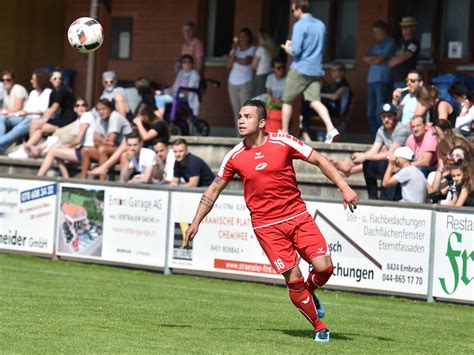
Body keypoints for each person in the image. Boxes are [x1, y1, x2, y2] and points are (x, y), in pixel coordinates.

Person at [183, 99, 359, 343]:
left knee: (325, 268)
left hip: (297, 216)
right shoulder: (234, 156)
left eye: (247, 117)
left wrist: (344, 187)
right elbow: (213, 190)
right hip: (267, 227)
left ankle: (309, 293)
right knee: (294, 279)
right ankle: (319, 326)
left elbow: (319, 159)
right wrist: (195, 222)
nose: (241, 121)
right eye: (240, 117)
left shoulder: (283, 142)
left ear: (263, 122)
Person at [280, 0, 340, 143]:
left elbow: (296, 50)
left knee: (287, 101)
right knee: (315, 101)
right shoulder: (321, 25)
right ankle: (331, 129)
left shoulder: (299, 25)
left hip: (300, 68)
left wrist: (288, 49)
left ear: (298, 8)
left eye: (293, 10)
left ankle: (284, 133)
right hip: (316, 69)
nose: (293, 13)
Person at [332, 103, 410, 200]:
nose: (386, 119)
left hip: (402, 162)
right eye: (384, 116)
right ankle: (372, 196)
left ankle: (386, 197)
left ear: (395, 116)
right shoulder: (381, 130)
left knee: (381, 163)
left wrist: (364, 156)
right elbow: (374, 150)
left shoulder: (401, 130)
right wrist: (362, 156)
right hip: (391, 161)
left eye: (389, 116)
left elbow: (391, 153)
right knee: (368, 163)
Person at [88, 103, 169, 180]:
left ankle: (104, 167)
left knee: (125, 146)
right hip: (143, 150)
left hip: (157, 151)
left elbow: (145, 137)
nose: (139, 119)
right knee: (124, 154)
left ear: (147, 115)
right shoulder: (145, 125)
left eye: (141, 117)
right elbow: (134, 138)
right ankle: (122, 181)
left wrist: (139, 123)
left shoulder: (159, 124)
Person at [37, 98, 92, 178]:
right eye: (78, 105)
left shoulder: (86, 117)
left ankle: (38, 178)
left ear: (87, 107)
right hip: (80, 149)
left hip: (85, 152)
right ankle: (66, 178)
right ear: (74, 109)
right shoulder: (78, 120)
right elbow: (61, 132)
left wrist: (68, 146)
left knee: (53, 152)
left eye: (83, 105)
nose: (81, 108)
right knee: (56, 150)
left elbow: (78, 140)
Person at [0, 69, 51, 155]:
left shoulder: (48, 93)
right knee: (2, 119)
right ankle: (2, 146)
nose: (31, 81)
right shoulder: (33, 93)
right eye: (3, 80)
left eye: (33, 79)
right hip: (24, 116)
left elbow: (43, 110)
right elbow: (26, 109)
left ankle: (1, 143)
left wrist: (25, 112)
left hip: (36, 119)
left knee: (18, 128)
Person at [24, 70, 76, 153]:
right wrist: (42, 120)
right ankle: (30, 148)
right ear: (50, 80)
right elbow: (49, 110)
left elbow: (54, 108)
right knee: (35, 123)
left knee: (41, 127)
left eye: (60, 78)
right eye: (55, 78)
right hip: (61, 119)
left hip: (68, 120)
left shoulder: (62, 90)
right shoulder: (54, 92)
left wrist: (43, 121)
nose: (58, 80)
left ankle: (28, 148)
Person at [80, 99, 132, 178]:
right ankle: (82, 181)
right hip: (110, 149)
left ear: (110, 109)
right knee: (85, 150)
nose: (101, 112)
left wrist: (100, 140)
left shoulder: (115, 116)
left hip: (125, 148)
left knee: (102, 149)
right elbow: (94, 140)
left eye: (103, 109)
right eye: (98, 110)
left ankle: (103, 181)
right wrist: (103, 141)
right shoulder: (99, 119)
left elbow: (111, 142)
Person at [363, 21, 397, 139]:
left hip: (382, 80)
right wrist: (375, 59)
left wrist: (375, 59)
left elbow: (379, 59)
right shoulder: (376, 45)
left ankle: (382, 138)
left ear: (384, 32)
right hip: (371, 80)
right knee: (370, 113)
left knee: (380, 111)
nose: (375, 35)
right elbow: (365, 58)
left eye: (377, 32)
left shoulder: (390, 42)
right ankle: (374, 138)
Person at [225, 28, 257, 132]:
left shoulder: (253, 49)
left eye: (244, 36)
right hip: (232, 83)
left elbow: (246, 61)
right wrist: (233, 51)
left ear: (249, 38)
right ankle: (239, 134)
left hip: (245, 82)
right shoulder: (235, 49)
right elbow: (228, 65)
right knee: (236, 110)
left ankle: (248, 132)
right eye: (240, 36)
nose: (241, 38)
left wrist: (233, 58)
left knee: (246, 109)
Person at [389, 17, 420, 88]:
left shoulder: (414, 43)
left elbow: (404, 56)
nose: (404, 29)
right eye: (403, 27)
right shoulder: (402, 43)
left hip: (406, 80)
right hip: (397, 79)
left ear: (414, 28)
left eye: (407, 27)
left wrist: (393, 62)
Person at [252, 30, 278, 96]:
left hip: (260, 75)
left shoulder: (261, 49)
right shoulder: (273, 49)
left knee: (258, 98)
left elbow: (253, 65)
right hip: (270, 74)